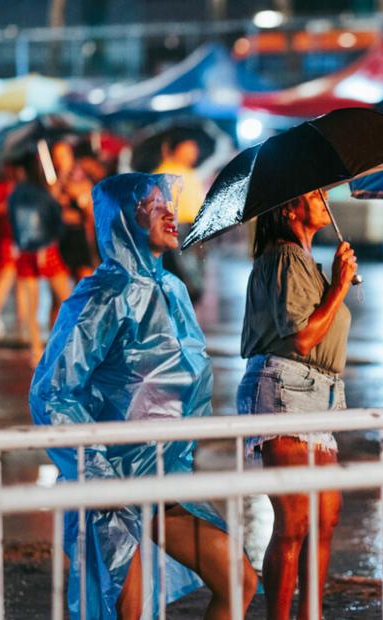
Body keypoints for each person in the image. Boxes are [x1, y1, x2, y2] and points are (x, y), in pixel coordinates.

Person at [30, 173, 257, 619]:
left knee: (237, 578)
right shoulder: (102, 295)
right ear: (123, 221)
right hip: (112, 481)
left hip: (162, 480)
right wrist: (95, 471)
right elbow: (52, 391)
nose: (171, 213)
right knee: (126, 610)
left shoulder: (171, 291)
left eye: (167, 203)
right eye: (154, 207)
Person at [236, 188, 356, 620]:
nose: (325, 199)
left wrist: (333, 282)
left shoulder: (302, 261)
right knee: (296, 522)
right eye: (314, 195)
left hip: (320, 392)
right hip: (286, 386)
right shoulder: (285, 257)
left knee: (324, 518)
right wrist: (339, 286)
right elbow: (304, 338)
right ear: (289, 208)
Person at [8, 154, 73, 365]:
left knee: (31, 306)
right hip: (48, 249)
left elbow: (12, 223)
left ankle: (36, 350)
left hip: (25, 250)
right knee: (69, 299)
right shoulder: (44, 193)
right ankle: (68, 345)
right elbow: (57, 221)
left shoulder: (16, 194)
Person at [154, 133, 207, 304]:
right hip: (177, 227)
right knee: (186, 273)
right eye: (189, 148)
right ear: (177, 149)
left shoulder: (190, 173)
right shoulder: (165, 172)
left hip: (194, 227)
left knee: (194, 272)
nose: (194, 153)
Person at [0, 163, 25, 338]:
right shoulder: (0, 186)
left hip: (23, 239)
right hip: (6, 240)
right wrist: (9, 205)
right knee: (5, 276)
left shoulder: (25, 186)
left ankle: (22, 321)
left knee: (24, 279)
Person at [52, 140, 98, 281]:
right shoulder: (54, 182)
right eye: (56, 157)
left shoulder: (80, 178)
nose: (60, 162)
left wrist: (77, 197)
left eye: (63, 156)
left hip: (80, 239)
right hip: (61, 240)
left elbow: (90, 212)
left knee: (85, 284)